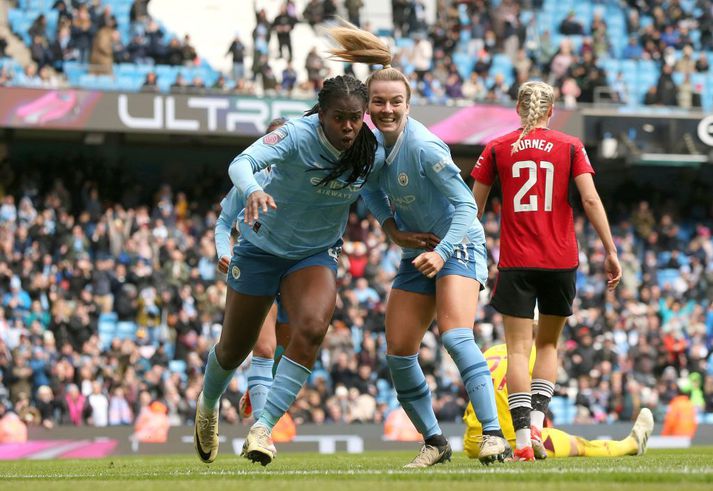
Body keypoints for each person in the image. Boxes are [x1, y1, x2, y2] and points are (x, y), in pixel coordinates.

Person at [326, 23, 510, 468]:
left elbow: (468, 208)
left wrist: (442, 252)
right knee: (399, 351)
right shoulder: (369, 148)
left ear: (408, 105)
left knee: (456, 336)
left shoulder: (426, 148)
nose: (387, 109)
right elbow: (369, 191)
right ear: (368, 105)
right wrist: (392, 230)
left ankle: (492, 437)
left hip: (458, 246)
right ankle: (434, 442)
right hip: (417, 252)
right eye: (379, 102)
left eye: (395, 103)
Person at [195, 73, 392, 466]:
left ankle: (263, 428)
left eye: (356, 117)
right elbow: (242, 163)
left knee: (314, 327)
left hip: (315, 253)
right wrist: (253, 190)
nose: (349, 126)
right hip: (260, 250)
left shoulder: (372, 151)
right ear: (321, 114)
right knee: (234, 350)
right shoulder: (296, 135)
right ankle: (209, 402)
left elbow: (371, 190)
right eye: (340, 118)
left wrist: (393, 229)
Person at [471, 80, 622, 461]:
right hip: (560, 259)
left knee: (519, 351)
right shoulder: (571, 146)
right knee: (549, 344)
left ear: (518, 109)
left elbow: (473, 207)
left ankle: (522, 441)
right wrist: (610, 249)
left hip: (516, 260)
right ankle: (538, 423)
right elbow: (589, 197)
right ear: (552, 111)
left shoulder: (497, 147)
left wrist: (470, 252)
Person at [214, 117, 290, 424]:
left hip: (297, 268)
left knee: (289, 348)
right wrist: (224, 251)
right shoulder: (252, 179)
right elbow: (223, 222)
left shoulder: (307, 177)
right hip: (258, 263)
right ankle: (262, 432)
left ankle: (260, 387)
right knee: (264, 347)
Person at [463, 343, 655, 459]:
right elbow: (537, 405)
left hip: (475, 444)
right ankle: (631, 444)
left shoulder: (489, 352)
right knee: (581, 446)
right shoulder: (537, 355)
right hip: (514, 442)